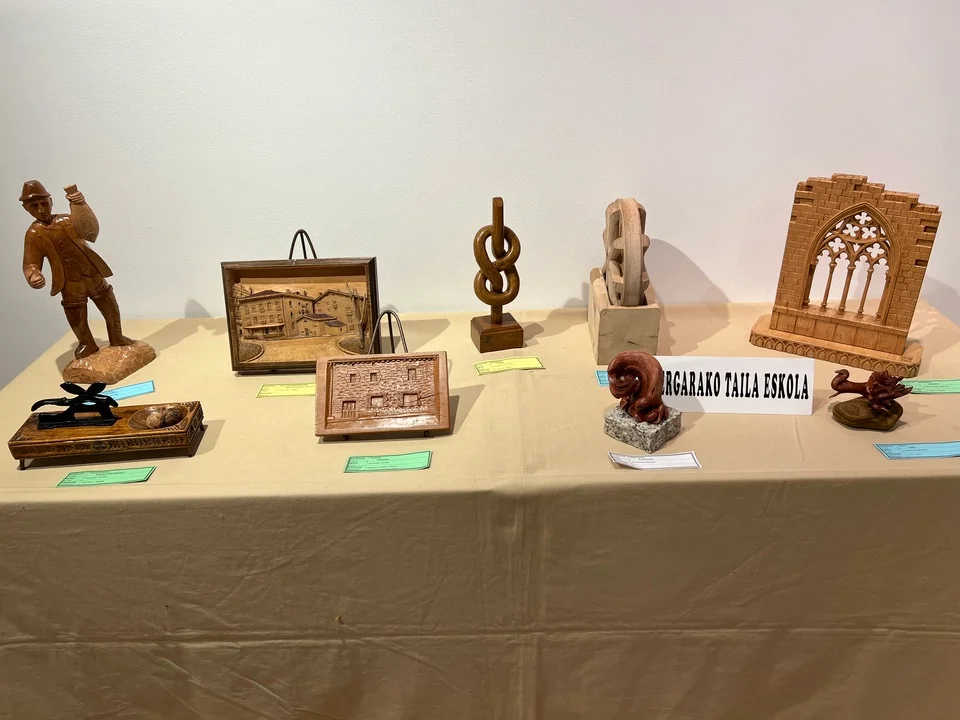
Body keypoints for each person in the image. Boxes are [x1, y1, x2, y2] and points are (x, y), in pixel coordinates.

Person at [20, 181, 133, 359]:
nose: (41, 210)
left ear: (51, 201)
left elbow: (90, 232)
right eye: (34, 206)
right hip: (68, 282)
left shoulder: (67, 221)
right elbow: (30, 263)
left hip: (91, 273)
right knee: (75, 312)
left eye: (44, 203)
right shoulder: (34, 234)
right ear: (26, 209)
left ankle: (116, 336)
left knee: (108, 303)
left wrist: (80, 204)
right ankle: (87, 343)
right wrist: (33, 274)